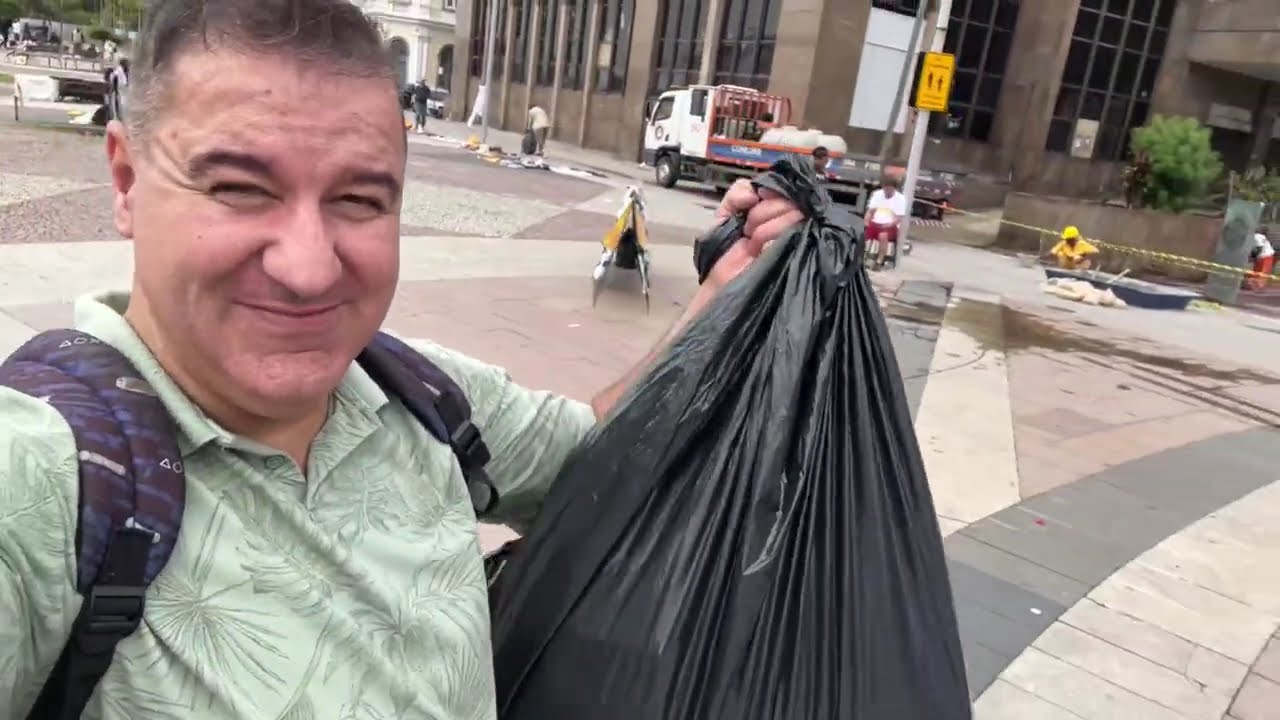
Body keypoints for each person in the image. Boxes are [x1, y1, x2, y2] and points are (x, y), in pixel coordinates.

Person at [0, 0, 805, 717]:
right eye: (241, 187)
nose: (309, 266)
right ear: (126, 178)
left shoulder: (418, 393)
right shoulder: (42, 475)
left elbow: (605, 454)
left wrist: (721, 292)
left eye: (359, 200)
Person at [866, 175, 909, 270]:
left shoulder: (900, 199)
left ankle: (879, 261)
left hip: (890, 224)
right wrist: (866, 221)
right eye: (885, 189)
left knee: (883, 235)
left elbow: (899, 218)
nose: (887, 192)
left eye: (889, 189)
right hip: (876, 221)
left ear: (894, 188)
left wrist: (888, 224)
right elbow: (870, 211)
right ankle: (862, 257)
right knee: (861, 233)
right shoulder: (877, 194)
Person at [1246, 225, 1274, 291]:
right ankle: (1254, 284)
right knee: (1258, 271)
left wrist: (1253, 257)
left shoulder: (1257, 236)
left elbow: (1259, 248)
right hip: (1264, 256)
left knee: (1261, 271)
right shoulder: (1258, 236)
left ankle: (1257, 285)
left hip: (1265, 255)